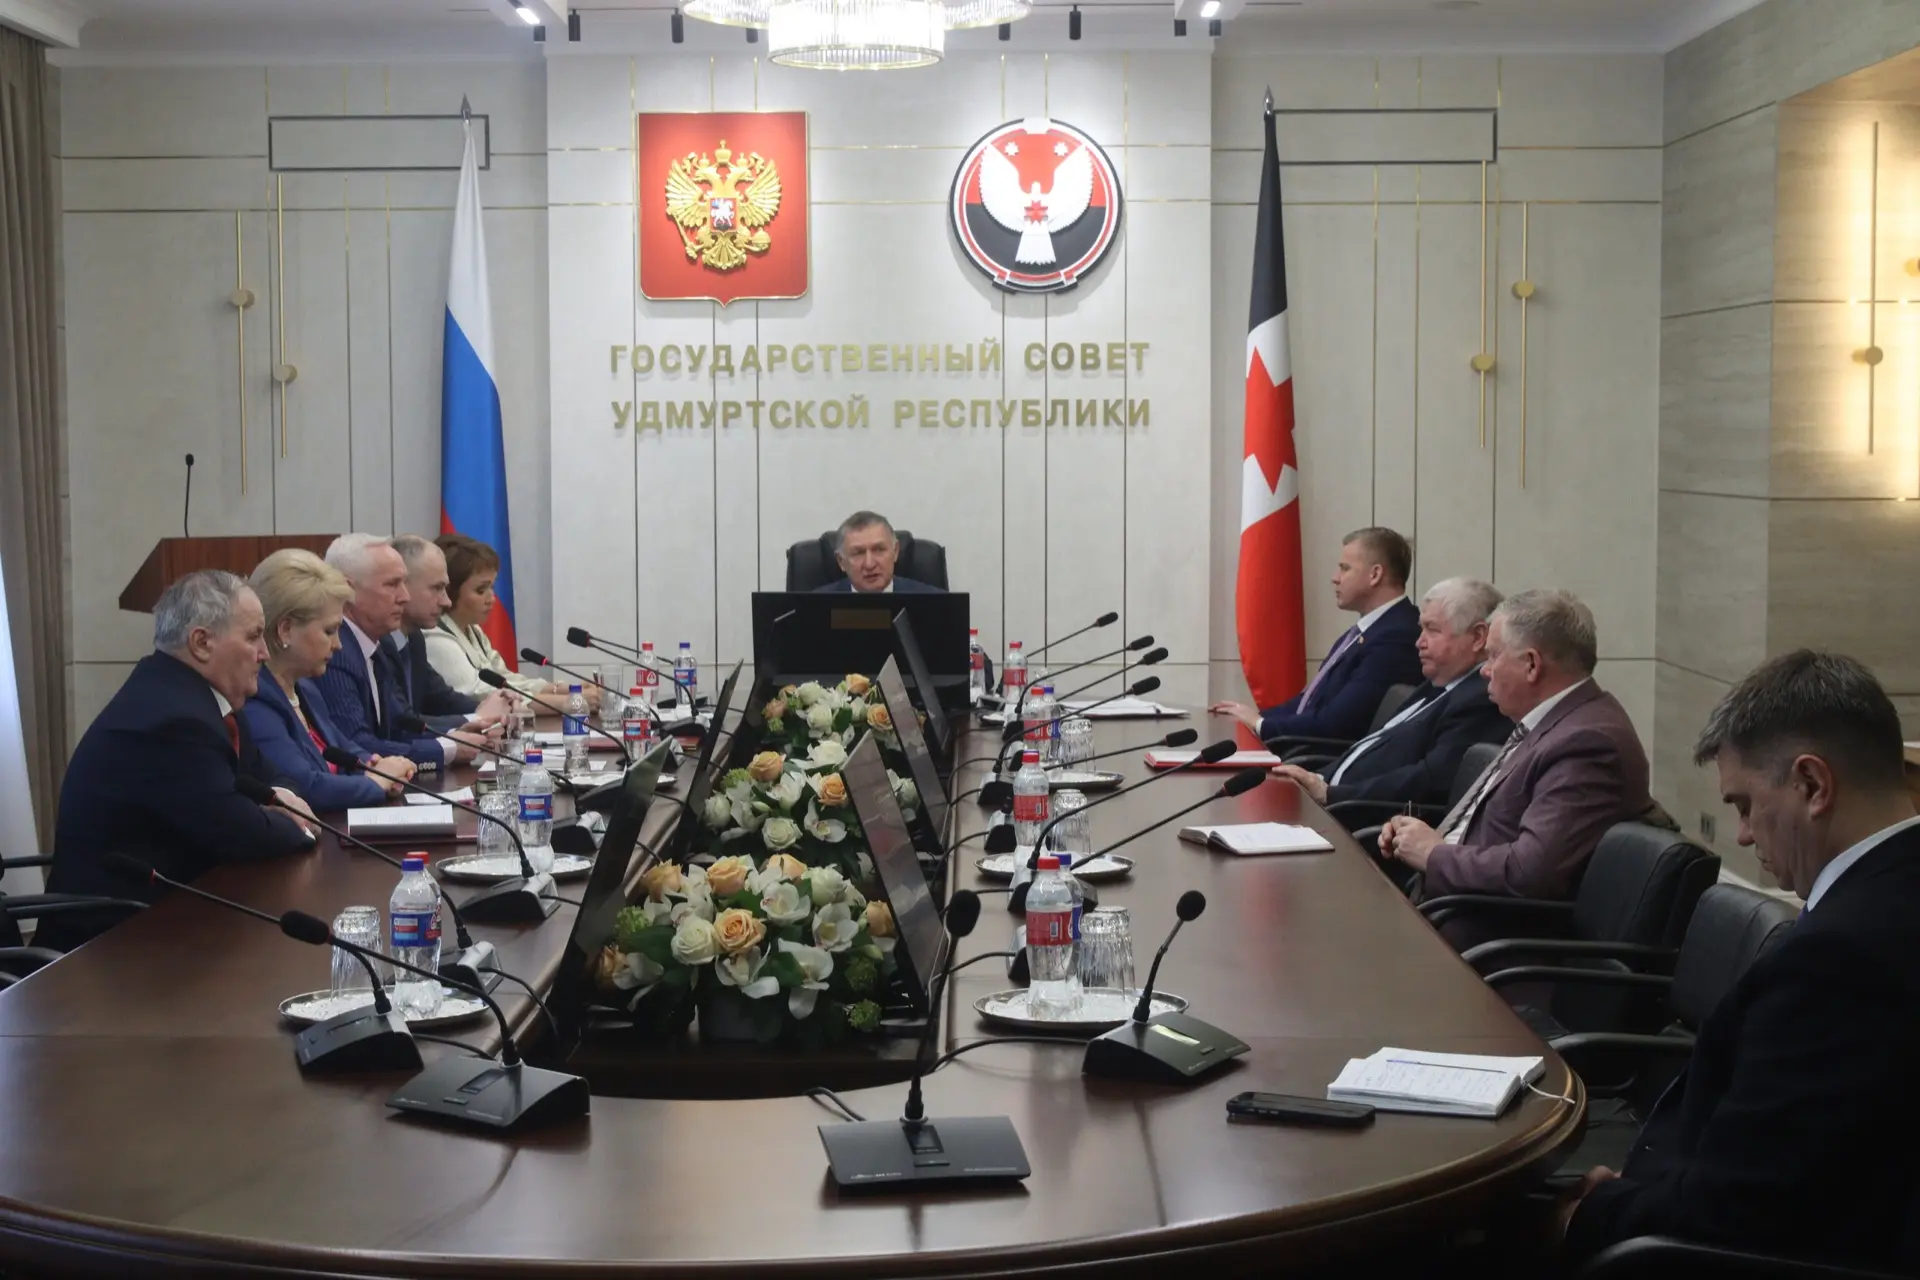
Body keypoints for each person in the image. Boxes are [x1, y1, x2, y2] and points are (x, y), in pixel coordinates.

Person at [1558, 650, 1920, 1273]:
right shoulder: (1888, 896)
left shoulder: (1841, 957)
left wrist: (1593, 1214)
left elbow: (1744, 1207)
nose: (1745, 835)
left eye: (1744, 805)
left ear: (1812, 785)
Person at [38, 571, 319, 950]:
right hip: (108, 946)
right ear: (202, 643)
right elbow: (241, 833)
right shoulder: (170, 718)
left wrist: (283, 799)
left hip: (174, 922)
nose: (265, 653)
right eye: (253, 636)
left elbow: (273, 777)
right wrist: (296, 821)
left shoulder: (207, 702)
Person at [1377, 589, 1651, 917]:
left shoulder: (1587, 743)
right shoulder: (1551, 720)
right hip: (1443, 902)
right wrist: (1416, 836)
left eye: (1493, 656)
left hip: (1473, 927)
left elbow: (1528, 872)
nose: (1484, 670)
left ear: (1531, 664)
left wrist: (1433, 853)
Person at [1271, 577, 1510, 810]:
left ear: (1478, 637)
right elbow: (1370, 749)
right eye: (1421, 628)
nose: (1419, 642)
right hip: (1336, 800)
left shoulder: (1481, 699)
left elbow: (1430, 781)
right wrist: (1315, 778)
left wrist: (1331, 794)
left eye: (1432, 629)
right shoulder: (1439, 682)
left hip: (1363, 816)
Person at [1210, 526, 1422, 743]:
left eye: (1345, 568)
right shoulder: (1367, 631)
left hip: (1327, 756)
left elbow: (1338, 723)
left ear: (1375, 575)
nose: (1335, 578)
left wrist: (1259, 725)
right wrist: (1252, 719)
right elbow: (1310, 702)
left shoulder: (1397, 636)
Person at [241, 549, 412, 812]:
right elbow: (305, 787)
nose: (338, 645)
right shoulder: (255, 700)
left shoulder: (305, 688)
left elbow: (345, 750)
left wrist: (378, 766)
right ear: (286, 630)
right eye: (329, 631)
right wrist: (376, 783)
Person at [312, 533, 495, 772]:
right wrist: (446, 749)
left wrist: (455, 733)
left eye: (404, 584)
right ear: (348, 590)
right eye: (392, 585)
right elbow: (358, 744)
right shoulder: (336, 650)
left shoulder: (378, 644)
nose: (404, 597)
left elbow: (400, 726)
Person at [385, 533, 517, 731]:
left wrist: (492, 709)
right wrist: (478, 717)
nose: (446, 601)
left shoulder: (413, 639)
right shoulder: (378, 646)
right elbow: (399, 723)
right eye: (436, 588)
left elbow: (441, 697)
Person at [426, 532, 571, 699]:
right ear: (450, 590)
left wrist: (563, 690)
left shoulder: (473, 631)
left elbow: (505, 680)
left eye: (492, 587)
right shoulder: (435, 637)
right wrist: (566, 701)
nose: (492, 599)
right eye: (481, 590)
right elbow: (479, 693)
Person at [815, 511, 940, 594]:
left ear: (895, 551)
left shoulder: (936, 604)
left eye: (879, 550)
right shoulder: (813, 608)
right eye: (858, 553)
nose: (869, 564)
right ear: (841, 561)